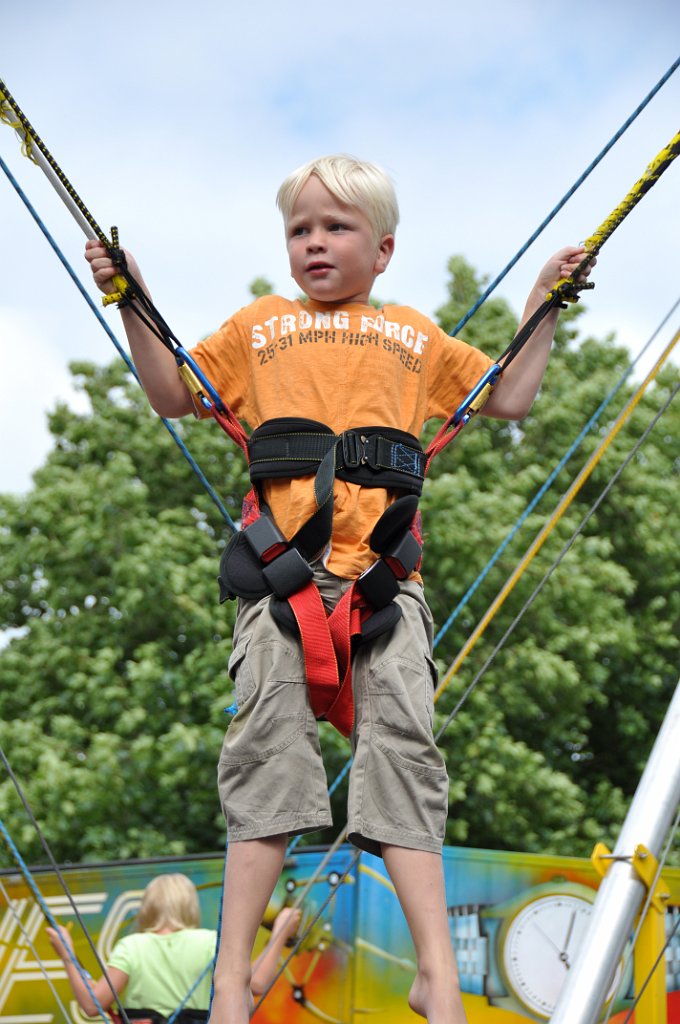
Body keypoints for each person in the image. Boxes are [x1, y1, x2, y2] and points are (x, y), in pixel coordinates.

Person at [85, 155, 593, 1024]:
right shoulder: (259, 326)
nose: (314, 242)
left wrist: (543, 300)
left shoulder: (414, 337)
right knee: (264, 760)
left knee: (405, 756)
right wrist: (132, 298)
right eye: (300, 230)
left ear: (384, 248)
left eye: (336, 228)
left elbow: (509, 394)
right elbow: (170, 390)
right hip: (282, 584)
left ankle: (437, 974)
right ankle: (230, 981)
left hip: (385, 586)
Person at [46, 872, 301, 1020]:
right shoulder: (210, 942)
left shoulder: (133, 946)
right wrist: (279, 933)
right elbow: (255, 983)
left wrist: (67, 955)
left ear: (147, 908)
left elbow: (93, 1004)